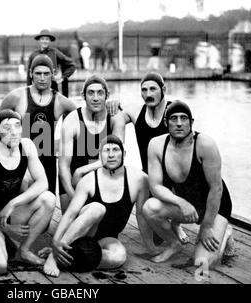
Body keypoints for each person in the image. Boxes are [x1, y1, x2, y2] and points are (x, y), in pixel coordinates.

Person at [43, 135, 149, 277]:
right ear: (100, 155)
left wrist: (150, 246)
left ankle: (68, 255)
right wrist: (56, 241)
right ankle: (55, 257)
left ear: (123, 154)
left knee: (119, 257)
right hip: (85, 233)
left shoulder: (139, 179)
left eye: (115, 150)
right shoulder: (89, 180)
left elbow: (141, 215)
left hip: (108, 238)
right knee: (97, 208)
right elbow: (70, 214)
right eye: (106, 150)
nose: (111, 155)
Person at [144, 100, 234, 267]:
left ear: (191, 122)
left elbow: (216, 188)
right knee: (150, 208)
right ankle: (174, 243)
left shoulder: (205, 144)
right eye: (174, 118)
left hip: (215, 206)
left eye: (184, 118)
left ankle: (226, 234)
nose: (179, 123)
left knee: (203, 263)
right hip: (187, 204)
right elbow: (155, 186)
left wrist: (207, 226)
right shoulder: (156, 145)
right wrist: (181, 202)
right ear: (166, 123)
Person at [106, 71, 188, 252]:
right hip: (151, 176)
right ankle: (169, 223)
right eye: (144, 90)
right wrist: (114, 103)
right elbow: (117, 122)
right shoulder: (136, 111)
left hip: (175, 176)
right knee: (157, 237)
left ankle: (176, 223)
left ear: (163, 89)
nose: (148, 94)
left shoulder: (173, 112)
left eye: (153, 89)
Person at [0, 110, 56, 275]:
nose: (13, 132)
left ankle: (24, 250)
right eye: (7, 128)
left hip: (12, 213)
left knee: (48, 199)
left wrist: (13, 203)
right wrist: (7, 229)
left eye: (17, 126)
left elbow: (43, 182)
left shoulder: (26, 146)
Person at [0, 54, 77, 194]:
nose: (42, 78)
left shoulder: (61, 101)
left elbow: (86, 118)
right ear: (31, 73)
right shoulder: (17, 96)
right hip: (21, 162)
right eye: (38, 73)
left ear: (52, 74)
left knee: (47, 203)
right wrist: (4, 149)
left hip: (48, 163)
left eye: (46, 74)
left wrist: (112, 107)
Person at [59, 75, 126, 212]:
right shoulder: (72, 120)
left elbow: (118, 156)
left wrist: (81, 170)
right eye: (91, 93)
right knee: (73, 224)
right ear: (83, 95)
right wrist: (74, 198)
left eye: (100, 93)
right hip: (74, 184)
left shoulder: (114, 116)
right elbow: (63, 167)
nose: (95, 98)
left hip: (102, 180)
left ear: (107, 95)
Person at [26, 29, 76, 97]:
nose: (44, 41)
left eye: (47, 39)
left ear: (49, 41)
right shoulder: (33, 55)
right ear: (39, 40)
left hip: (52, 88)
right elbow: (29, 75)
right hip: (37, 88)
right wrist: (29, 91)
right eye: (42, 39)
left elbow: (72, 65)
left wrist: (62, 77)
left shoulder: (54, 52)